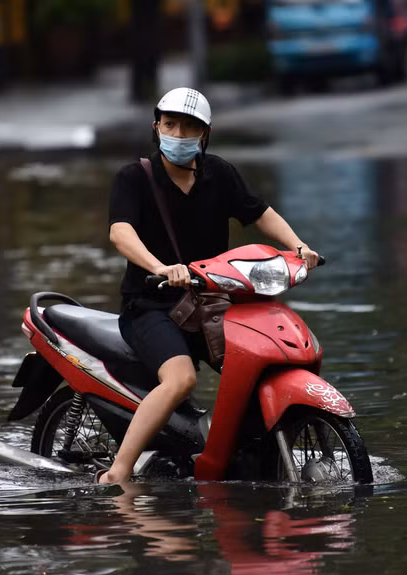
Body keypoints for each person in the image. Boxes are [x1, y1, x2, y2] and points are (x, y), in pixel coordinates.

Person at [99, 87, 319, 484]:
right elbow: (120, 233)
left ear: (205, 134)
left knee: (261, 363)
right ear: (157, 127)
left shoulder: (220, 174)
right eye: (171, 125)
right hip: (150, 306)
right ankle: (118, 472)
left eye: (190, 128)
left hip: (208, 304)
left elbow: (261, 213)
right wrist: (162, 267)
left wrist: (299, 247)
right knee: (181, 378)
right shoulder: (135, 178)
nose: (179, 134)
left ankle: (246, 455)